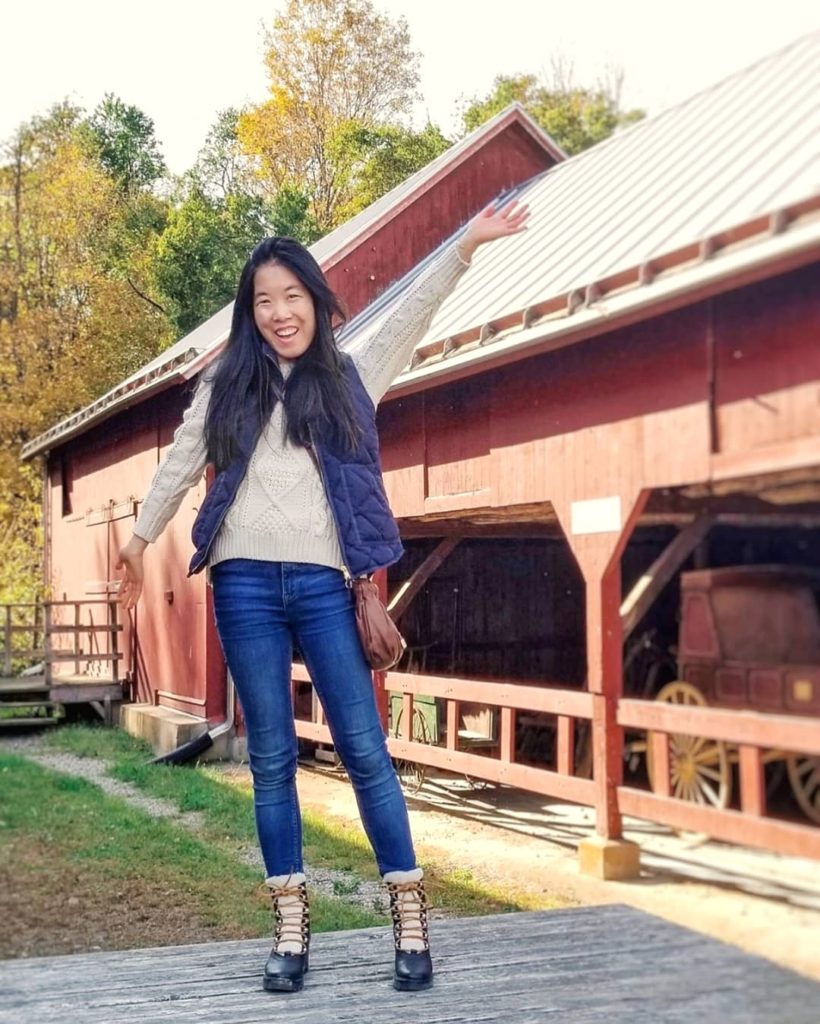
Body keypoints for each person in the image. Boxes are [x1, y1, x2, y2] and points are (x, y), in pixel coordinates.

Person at [115, 199, 529, 994]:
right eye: (263, 301)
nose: (278, 314)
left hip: (324, 585)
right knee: (272, 760)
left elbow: (414, 310)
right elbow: (176, 465)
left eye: (291, 297)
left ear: (314, 299)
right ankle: (291, 928)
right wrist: (138, 541)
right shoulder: (222, 387)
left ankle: (408, 916)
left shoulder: (348, 378)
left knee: (365, 750)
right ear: (250, 311)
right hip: (241, 583)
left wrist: (465, 245)